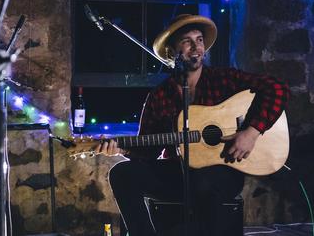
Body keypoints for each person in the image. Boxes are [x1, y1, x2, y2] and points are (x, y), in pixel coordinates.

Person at [97, 14, 290, 236]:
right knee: (122, 173)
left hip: (222, 172)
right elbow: (147, 151)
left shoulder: (224, 79)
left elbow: (278, 89)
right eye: (187, 41)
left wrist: (251, 132)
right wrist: (122, 148)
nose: (196, 47)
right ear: (172, 51)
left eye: (199, 40)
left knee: (203, 183)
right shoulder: (159, 96)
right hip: (178, 173)